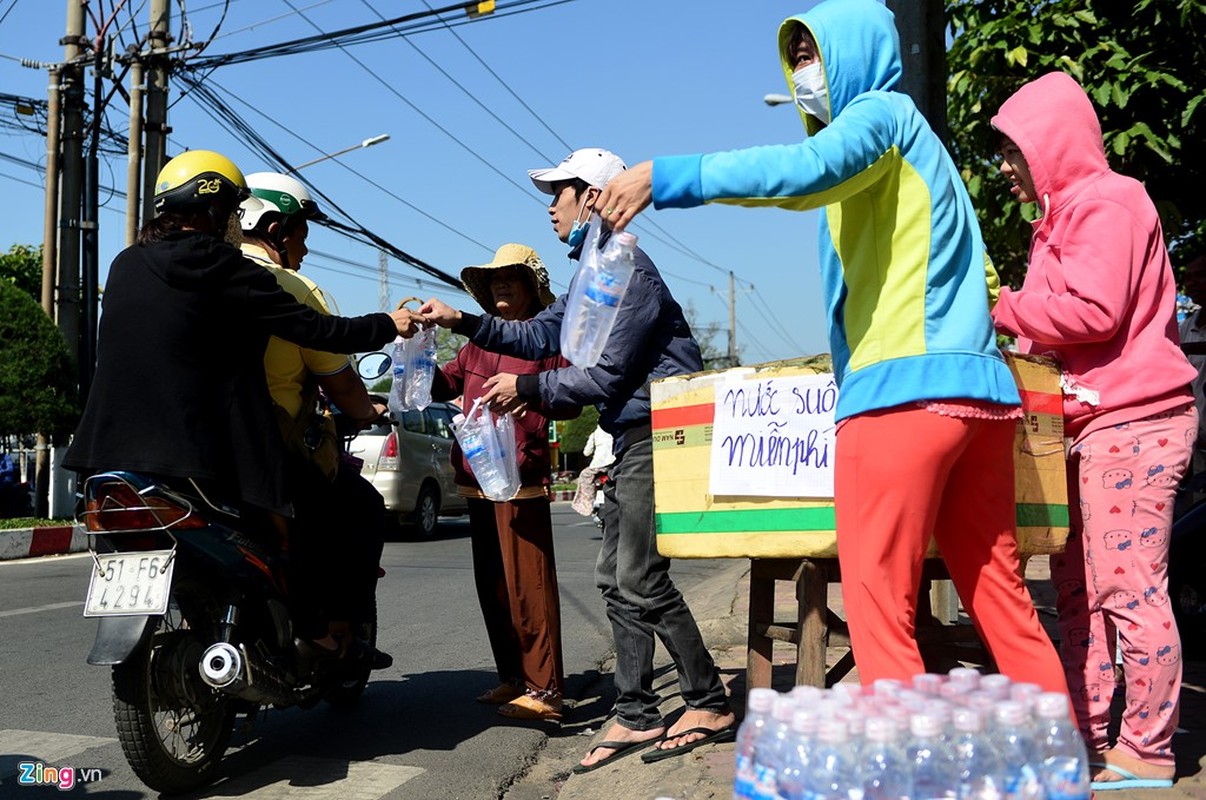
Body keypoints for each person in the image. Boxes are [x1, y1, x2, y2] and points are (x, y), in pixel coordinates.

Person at [595, 0, 1069, 696]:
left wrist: (665, 177)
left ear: (855, 55)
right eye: (795, 62)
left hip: (903, 398)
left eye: (813, 56)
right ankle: (1058, 768)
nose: (803, 75)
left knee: (881, 612)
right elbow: (987, 278)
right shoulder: (920, 155)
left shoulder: (880, 118)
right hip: (980, 401)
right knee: (999, 596)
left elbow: (801, 170)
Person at [420, 148, 735, 770]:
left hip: (655, 433)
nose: (549, 205)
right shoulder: (594, 267)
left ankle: (708, 698)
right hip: (628, 438)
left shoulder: (626, 269)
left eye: (558, 193)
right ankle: (637, 711)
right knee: (615, 582)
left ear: (591, 197)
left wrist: (528, 389)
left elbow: (605, 373)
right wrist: (461, 320)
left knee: (640, 579)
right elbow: (542, 334)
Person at [990, 71, 1196, 789]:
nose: (1007, 168)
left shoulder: (1108, 201)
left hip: (1134, 419)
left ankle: (1148, 745)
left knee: (1127, 588)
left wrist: (1004, 309)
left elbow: (1095, 313)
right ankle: (1085, 729)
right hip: (1086, 424)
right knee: (1076, 590)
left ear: (1049, 146)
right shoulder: (1061, 217)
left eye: (1014, 151)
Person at [64, 149, 420, 540]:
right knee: (347, 514)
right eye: (232, 212)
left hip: (106, 455)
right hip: (204, 455)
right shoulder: (230, 269)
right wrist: (388, 323)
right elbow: (321, 331)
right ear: (215, 213)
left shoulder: (125, 263)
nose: (236, 223)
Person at [238, 171, 392, 667]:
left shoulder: (196, 276)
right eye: (302, 233)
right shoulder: (293, 287)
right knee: (362, 508)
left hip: (193, 449)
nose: (304, 249)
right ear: (278, 230)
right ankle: (337, 636)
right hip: (269, 449)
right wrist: (367, 410)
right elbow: (342, 383)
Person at [429, 243, 570, 721]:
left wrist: (528, 398)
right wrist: (410, 353)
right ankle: (513, 678)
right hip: (475, 479)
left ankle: (545, 689)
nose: (501, 285)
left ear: (532, 286)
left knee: (527, 586)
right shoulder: (476, 343)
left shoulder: (547, 340)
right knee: (492, 586)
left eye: (511, 277)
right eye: (494, 280)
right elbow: (443, 383)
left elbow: (568, 396)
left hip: (520, 480)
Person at [572, 424, 614, 519]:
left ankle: (587, 503)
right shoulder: (615, 431)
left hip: (597, 466)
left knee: (584, 475)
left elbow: (586, 452)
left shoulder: (595, 434)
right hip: (613, 465)